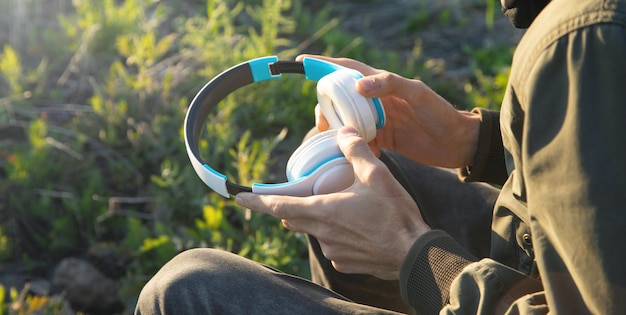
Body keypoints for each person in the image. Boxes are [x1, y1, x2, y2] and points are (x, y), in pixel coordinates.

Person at [135, 0, 626, 313]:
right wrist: (476, 141)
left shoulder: (583, 40)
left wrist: (415, 254)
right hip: (529, 258)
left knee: (187, 290)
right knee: (369, 174)